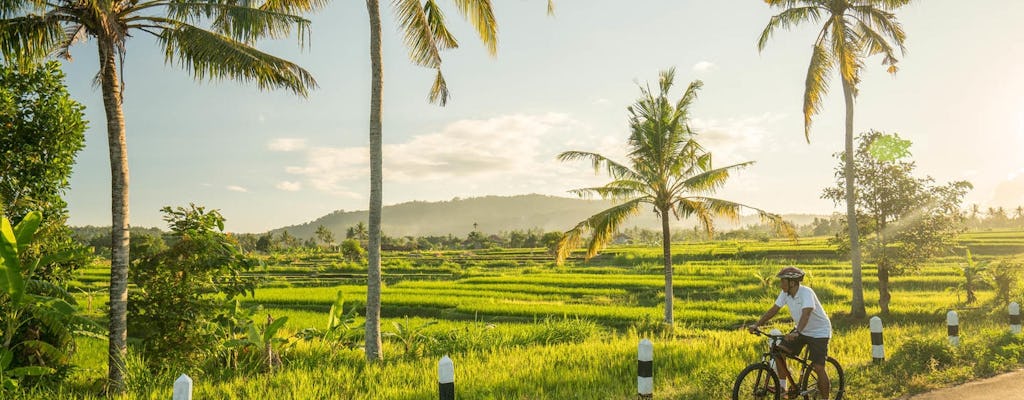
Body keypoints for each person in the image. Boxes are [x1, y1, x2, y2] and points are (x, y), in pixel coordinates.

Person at [748, 266, 832, 400]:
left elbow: (806, 314)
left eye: (783, 281)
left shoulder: (806, 293)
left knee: (818, 366)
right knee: (779, 352)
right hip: (801, 330)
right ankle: (783, 387)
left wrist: (797, 332)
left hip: (819, 332)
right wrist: (757, 324)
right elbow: (773, 310)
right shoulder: (785, 294)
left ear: (792, 282)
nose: (780, 284)